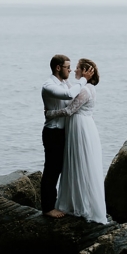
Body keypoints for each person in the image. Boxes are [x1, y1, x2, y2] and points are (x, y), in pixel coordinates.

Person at [45, 58, 107, 224]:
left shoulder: (85, 89)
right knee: (77, 164)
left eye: (77, 68)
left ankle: (82, 205)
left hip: (80, 128)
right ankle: (76, 202)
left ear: (85, 72)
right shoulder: (85, 87)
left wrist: (49, 114)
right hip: (81, 126)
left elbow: (69, 110)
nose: (74, 70)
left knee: (80, 164)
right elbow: (70, 92)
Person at [40, 54, 86, 218]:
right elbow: (68, 95)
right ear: (58, 68)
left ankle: (63, 202)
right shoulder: (48, 85)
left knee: (61, 169)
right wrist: (84, 80)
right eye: (68, 67)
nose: (71, 69)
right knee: (52, 170)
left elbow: (74, 95)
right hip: (53, 132)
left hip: (63, 132)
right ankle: (47, 208)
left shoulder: (66, 82)